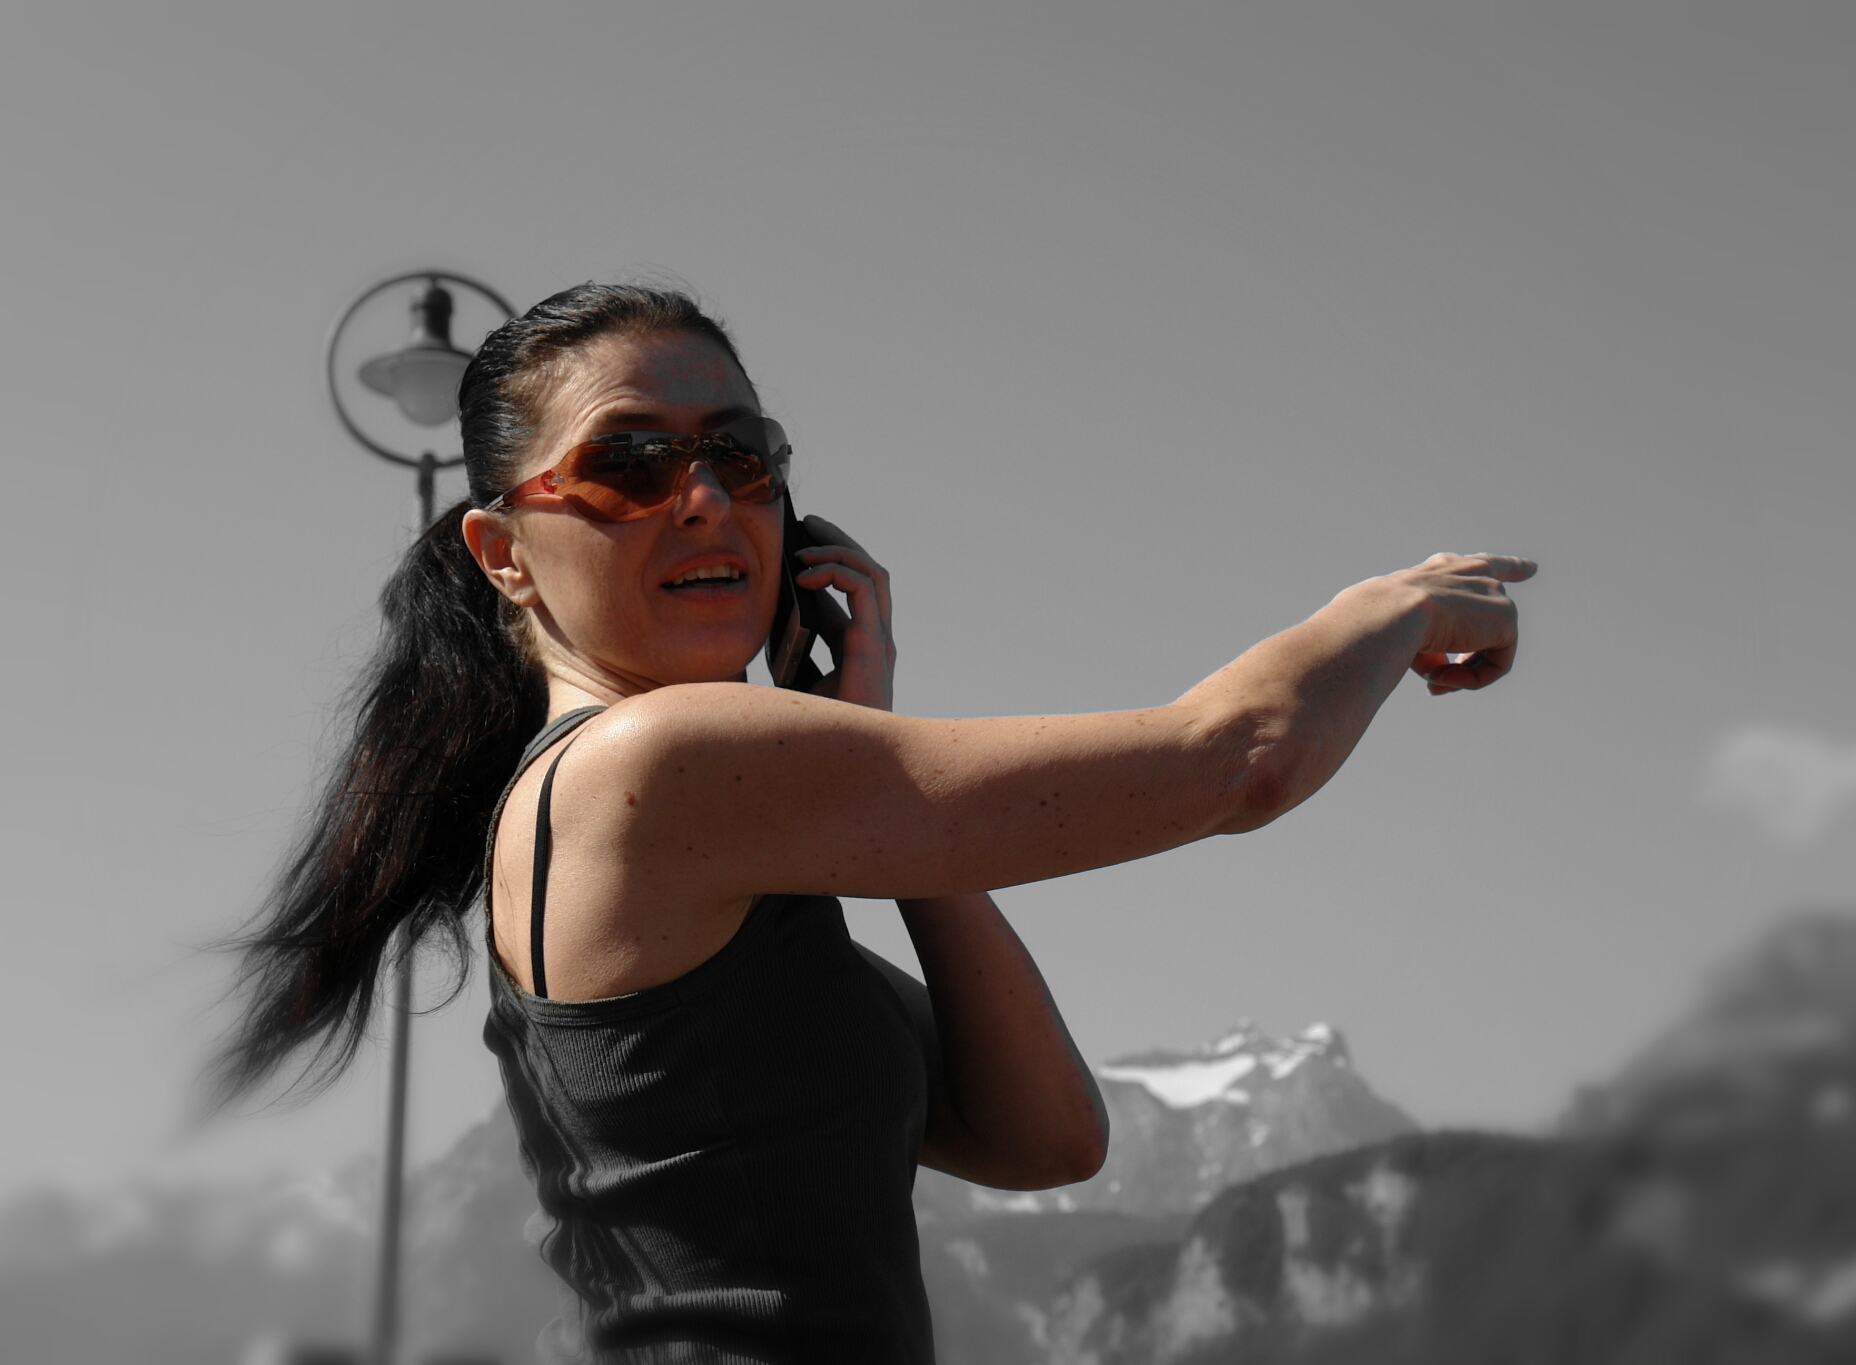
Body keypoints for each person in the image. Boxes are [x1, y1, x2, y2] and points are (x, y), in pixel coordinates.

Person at [217, 283, 1534, 1363]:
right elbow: (1241, 759)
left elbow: (1049, 1138)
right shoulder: (654, 764)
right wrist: (1392, 606)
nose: (704, 495)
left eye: (741, 455)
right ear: (505, 553)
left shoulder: (671, 824)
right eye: (629, 463)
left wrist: (890, 801)